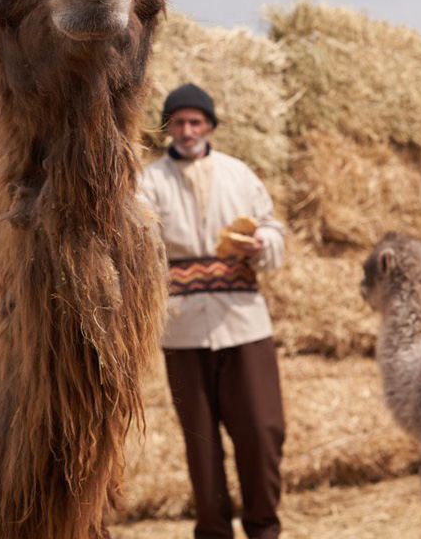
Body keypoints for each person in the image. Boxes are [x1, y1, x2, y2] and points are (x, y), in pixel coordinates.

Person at [139, 83, 287, 539]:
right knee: (201, 448)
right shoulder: (147, 181)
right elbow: (135, 242)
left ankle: (263, 528)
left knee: (263, 431)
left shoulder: (239, 174)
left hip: (243, 324)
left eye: (195, 122)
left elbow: (274, 228)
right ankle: (214, 532)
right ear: (169, 129)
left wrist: (262, 243)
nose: (187, 130)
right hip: (182, 332)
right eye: (179, 122)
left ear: (210, 126)